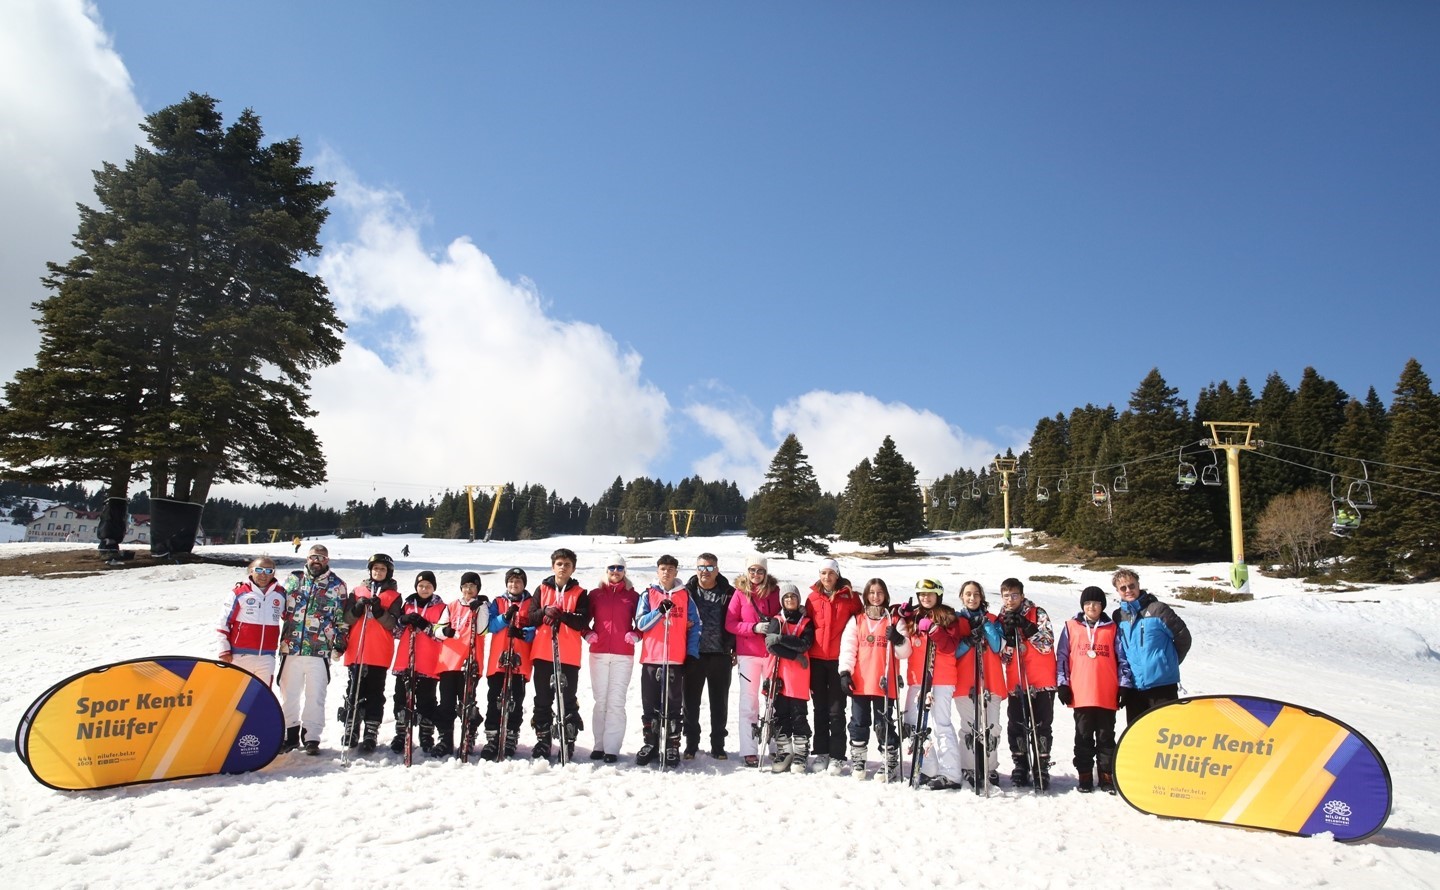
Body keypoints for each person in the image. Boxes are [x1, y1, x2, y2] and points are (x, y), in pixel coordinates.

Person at [1057, 585, 1132, 793]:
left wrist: (1124, 685)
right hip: (1081, 693)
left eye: (1096, 603)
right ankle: (1085, 775)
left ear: (1102, 606)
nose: (1092, 606)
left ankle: (1106, 776)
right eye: (1088, 603)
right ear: (1083, 605)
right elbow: (1062, 657)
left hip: (1106, 693)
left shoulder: (1112, 628)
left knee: (1106, 737)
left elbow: (1122, 659)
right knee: (1082, 737)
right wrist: (1062, 683)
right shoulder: (1071, 626)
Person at [276, 549, 347, 755]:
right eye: (313, 557)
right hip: (291, 647)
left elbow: (342, 617)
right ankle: (289, 734)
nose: (317, 561)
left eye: (321, 558)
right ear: (307, 559)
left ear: (327, 560)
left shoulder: (337, 585)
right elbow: (273, 598)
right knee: (289, 693)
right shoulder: (293, 580)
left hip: (319, 649)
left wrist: (340, 643)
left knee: (315, 694)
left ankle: (311, 736)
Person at [837, 578, 910, 780]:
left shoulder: (894, 621)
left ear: (885, 595)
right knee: (859, 722)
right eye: (871, 593)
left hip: (884, 682)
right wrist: (845, 672)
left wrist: (898, 639)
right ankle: (859, 759)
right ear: (866, 595)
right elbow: (848, 648)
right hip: (861, 680)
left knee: (883, 723)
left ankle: (889, 760)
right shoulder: (857, 619)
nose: (875, 597)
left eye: (879, 593)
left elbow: (905, 653)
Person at [634, 554, 701, 767]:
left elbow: (696, 625)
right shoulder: (648, 594)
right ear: (657, 571)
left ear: (676, 572)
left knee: (673, 704)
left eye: (671, 569)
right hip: (652, 657)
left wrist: (691, 654)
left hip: (675, 658)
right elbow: (641, 624)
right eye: (663, 568)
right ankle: (651, 742)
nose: (666, 572)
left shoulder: (685, 595)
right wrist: (659, 611)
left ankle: (672, 745)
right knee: (650, 703)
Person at [898, 578, 965, 790]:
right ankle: (928, 768)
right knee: (915, 724)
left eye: (929, 594)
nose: (925, 598)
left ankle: (951, 773)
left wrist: (936, 630)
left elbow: (950, 646)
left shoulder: (948, 615)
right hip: (918, 677)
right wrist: (901, 613)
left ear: (938, 595)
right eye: (921, 595)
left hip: (941, 678)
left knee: (941, 724)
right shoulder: (914, 615)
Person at [526, 548, 591, 762]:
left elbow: (582, 621)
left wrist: (562, 615)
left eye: (568, 564)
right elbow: (530, 617)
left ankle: (567, 740)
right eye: (560, 564)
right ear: (553, 566)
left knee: (567, 699)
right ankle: (543, 740)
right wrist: (545, 611)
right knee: (543, 699)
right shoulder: (542, 589)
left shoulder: (580, 593)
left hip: (568, 655)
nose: (563, 568)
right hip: (543, 652)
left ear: (573, 568)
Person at [805, 558, 863, 775]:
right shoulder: (812, 598)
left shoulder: (851, 598)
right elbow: (806, 626)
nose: (827, 578)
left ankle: (837, 755)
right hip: (817, 661)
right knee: (819, 708)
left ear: (837, 575)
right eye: (823, 573)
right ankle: (821, 752)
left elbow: (860, 625)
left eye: (830, 573)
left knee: (837, 710)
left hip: (840, 662)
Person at [1111, 569, 1191, 726]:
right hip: (1134, 688)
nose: (1128, 590)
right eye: (1123, 588)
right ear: (1117, 591)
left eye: (1131, 585)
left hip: (1162, 686)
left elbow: (1184, 637)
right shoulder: (1118, 617)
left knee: (1166, 734)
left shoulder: (1158, 610)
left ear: (1138, 584)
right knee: (1139, 736)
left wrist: (1168, 663)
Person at [998, 577, 1057, 788]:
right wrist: (1009, 642)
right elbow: (1001, 657)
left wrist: (1027, 627)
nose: (1011, 600)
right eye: (1007, 596)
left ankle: (1041, 766)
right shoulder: (1001, 618)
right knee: (1017, 725)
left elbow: (1047, 644)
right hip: (1017, 681)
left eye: (1015, 595)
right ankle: (1020, 764)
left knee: (1042, 725)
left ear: (1022, 595)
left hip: (1042, 679)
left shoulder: (1037, 613)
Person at [725, 553, 781, 768]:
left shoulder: (775, 592)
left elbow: (785, 614)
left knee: (773, 700)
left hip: (771, 654)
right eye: (752, 570)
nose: (755, 574)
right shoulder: (740, 594)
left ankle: (776, 745)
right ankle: (749, 749)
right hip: (747, 653)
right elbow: (730, 623)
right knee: (749, 702)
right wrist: (752, 628)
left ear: (765, 573)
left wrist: (775, 626)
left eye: (760, 570)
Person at [340, 552, 401, 752]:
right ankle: (352, 727)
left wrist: (379, 612)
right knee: (354, 691)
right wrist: (357, 608)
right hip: (357, 649)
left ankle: (371, 731)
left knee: (375, 693)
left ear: (388, 572)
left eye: (382, 569)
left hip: (378, 651)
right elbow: (347, 618)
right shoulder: (357, 591)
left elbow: (393, 624)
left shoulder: (394, 596)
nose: (378, 572)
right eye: (375, 568)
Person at [586, 555, 640, 763]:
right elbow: (583, 619)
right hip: (598, 653)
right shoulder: (596, 594)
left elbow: (643, 621)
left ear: (624, 571)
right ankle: (598, 745)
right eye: (611, 568)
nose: (615, 571)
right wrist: (587, 633)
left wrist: (636, 634)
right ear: (606, 570)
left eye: (619, 568)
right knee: (600, 701)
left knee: (616, 702)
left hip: (623, 654)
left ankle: (612, 748)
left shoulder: (633, 596)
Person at [682, 552, 736, 759]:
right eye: (702, 567)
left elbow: (736, 619)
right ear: (696, 569)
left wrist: (735, 647)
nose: (705, 571)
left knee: (719, 703)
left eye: (710, 567)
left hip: (720, 654)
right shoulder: (686, 592)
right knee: (690, 702)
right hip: (694, 655)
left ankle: (718, 745)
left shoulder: (729, 593)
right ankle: (691, 744)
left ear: (717, 570)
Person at [955, 580, 1006, 790]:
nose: (972, 598)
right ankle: (968, 766)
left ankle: (990, 766)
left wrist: (985, 624)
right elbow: (952, 651)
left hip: (991, 680)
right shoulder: (956, 621)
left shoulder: (993, 619)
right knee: (969, 727)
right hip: (965, 681)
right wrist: (967, 642)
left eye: (976, 594)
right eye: (968, 594)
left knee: (991, 727)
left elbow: (997, 646)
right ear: (961, 597)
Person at [390, 570, 447, 755]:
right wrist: (402, 620)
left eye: (428, 586)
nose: (424, 589)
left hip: (428, 661)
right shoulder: (407, 604)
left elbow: (442, 636)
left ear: (434, 588)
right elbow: (396, 633)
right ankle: (401, 733)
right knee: (401, 698)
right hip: (405, 660)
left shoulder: (441, 607)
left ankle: (426, 734)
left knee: (427, 700)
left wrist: (425, 625)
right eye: (421, 586)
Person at [481, 568, 536, 761]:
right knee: (494, 698)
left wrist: (524, 632)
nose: (514, 585)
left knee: (516, 699)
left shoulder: (530, 602)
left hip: (520, 658)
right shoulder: (498, 602)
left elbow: (536, 627)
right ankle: (492, 737)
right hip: (499, 657)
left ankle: (511, 736)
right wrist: (505, 617)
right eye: (511, 582)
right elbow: (490, 626)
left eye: (518, 582)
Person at [432, 571, 488, 758]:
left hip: (470, 661)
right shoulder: (452, 606)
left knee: (467, 702)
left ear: (477, 589)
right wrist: (444, 631)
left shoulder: (481, 606)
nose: (468, 589)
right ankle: (445, 739)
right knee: (446, 703)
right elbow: (437, 629)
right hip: (449, 662)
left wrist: (479, 608)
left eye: (472, 586)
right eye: (465, 586)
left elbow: (481, 630)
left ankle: (468, 735)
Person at [764, 582, 815, 774]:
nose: (789, 600)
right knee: (781, 712)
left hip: (799, 674)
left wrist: (781, 639)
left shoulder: (806, 622)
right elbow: (770, 646)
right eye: (786, 597)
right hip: (779, 671)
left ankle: (801, 752)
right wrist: (793, 655)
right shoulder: (777, 619)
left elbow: (804, 644)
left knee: (799, 713)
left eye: (793, 597)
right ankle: (784, 750)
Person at [217, 556, 287, 685]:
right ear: (251, 571)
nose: (263, 575)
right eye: (259, 570)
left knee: (262, 695)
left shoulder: (281, 594)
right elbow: (224, 622)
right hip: (240, 656)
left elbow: (290, 618)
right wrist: (224, 650)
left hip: (267, 656)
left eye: (268, 571)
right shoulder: (239, 592)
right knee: (235, 695)